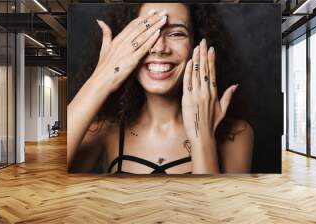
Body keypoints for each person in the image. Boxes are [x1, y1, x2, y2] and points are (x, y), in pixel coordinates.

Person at [68, 3, 254, 174]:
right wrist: (102, 78)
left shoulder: (236, 134)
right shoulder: (102, 130)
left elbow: (217, 209)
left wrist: (202, 138)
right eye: (147, 32)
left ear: (195, 45)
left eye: (176, 34)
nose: (159, 48)